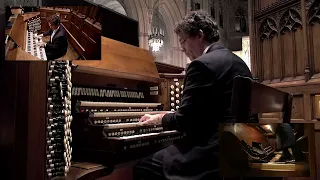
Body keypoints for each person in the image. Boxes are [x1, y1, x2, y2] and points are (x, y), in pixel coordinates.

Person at [133, 10, 252, 180]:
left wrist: (160, 118)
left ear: (199, 35)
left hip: (214, 153)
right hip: (240, 144)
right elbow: (207, 112)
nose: (181, 48)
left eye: (183, 41)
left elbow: (185, 121)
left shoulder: (201, 65)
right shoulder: (239, 63)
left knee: (143, 166)